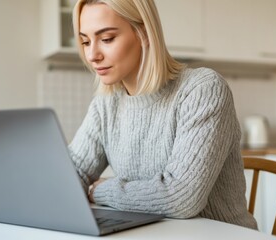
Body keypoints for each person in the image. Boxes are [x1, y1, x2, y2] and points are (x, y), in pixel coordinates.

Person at [68, 0, 258, 230]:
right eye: (85, 41)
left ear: (145, 33)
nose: (92, 55)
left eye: (107, 39)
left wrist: (100, 191)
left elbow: (181, 198)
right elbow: (72, 172)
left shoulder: (202, 89)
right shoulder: (105, 104)